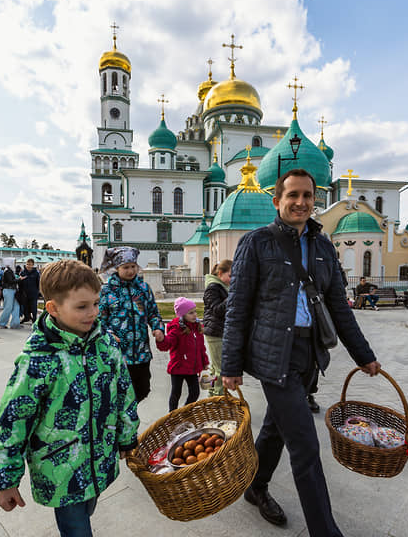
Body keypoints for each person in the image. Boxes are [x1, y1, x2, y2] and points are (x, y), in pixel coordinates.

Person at [221, 169, 381, 536]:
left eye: (308, 195)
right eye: (292, 195)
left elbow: (339, 307)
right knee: (306, 447)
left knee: (277, 428)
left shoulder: (324, 247)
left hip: (310, 353)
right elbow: (238, 307)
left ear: (314, 200)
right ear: (277, 201)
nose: (301, 202)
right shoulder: (257, 243)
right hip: (274, 355)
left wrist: (364, 355)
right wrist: (229, 364)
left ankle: (255, 485)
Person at [0, 260, 139, 537]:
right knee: (76, 527)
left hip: (99, 457)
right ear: (54, 308)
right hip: (61, 468)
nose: (93, 312)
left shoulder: (106, 344)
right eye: (81, 307)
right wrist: (6, 479)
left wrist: (126, 436)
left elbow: (124, 393)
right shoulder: (38, 359)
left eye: (95, 303)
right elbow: (14, 420)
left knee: (87, 507)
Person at [98, 247, 165, 403]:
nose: (130, 271)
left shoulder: (143, 289)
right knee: (119, 394)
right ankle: (122, 423)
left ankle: (129, 418)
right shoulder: (107, 291)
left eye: (133, 266)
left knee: (142, 390)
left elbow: (153, 313)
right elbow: (99, 320)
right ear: (117, 268)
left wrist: (157, 327)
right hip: (118, 354)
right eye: (126, 267)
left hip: (141, 353)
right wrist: (108, 334)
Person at [156, 297, 209, 412]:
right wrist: (161, 339)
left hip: (192, 369)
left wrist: (204, 362)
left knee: (195, 392)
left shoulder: (197, 327)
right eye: (191, 313)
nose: (195, 315)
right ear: (182, 315)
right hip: (178, 368)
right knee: (176, 393)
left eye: (195, 311)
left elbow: (201, 348)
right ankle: (172, 415)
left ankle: (184, 413)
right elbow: (167, 344)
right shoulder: (176, 329)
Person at [203, 260, 232, 397]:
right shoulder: (213, 287)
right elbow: (216, 310)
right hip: (215, 332)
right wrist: (231, 298)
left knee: (214, 368)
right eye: (231, 276)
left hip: (218, 331)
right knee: (221, 369)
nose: (233, 279)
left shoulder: (222, 286)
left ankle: (208, 395)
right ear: (220, 273)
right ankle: (217, 397)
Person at [19, 259, 40, 324]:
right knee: (25, 307)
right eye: (27, 264)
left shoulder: (36, 273)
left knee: (34, 307)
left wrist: (38, 292)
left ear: (33, 265)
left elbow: (38, 283)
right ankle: (26, 317)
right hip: (25, 293)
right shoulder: (23, 273)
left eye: (30, 264)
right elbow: (20, 284)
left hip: (33, 293)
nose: (28, 266)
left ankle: (34, 319)